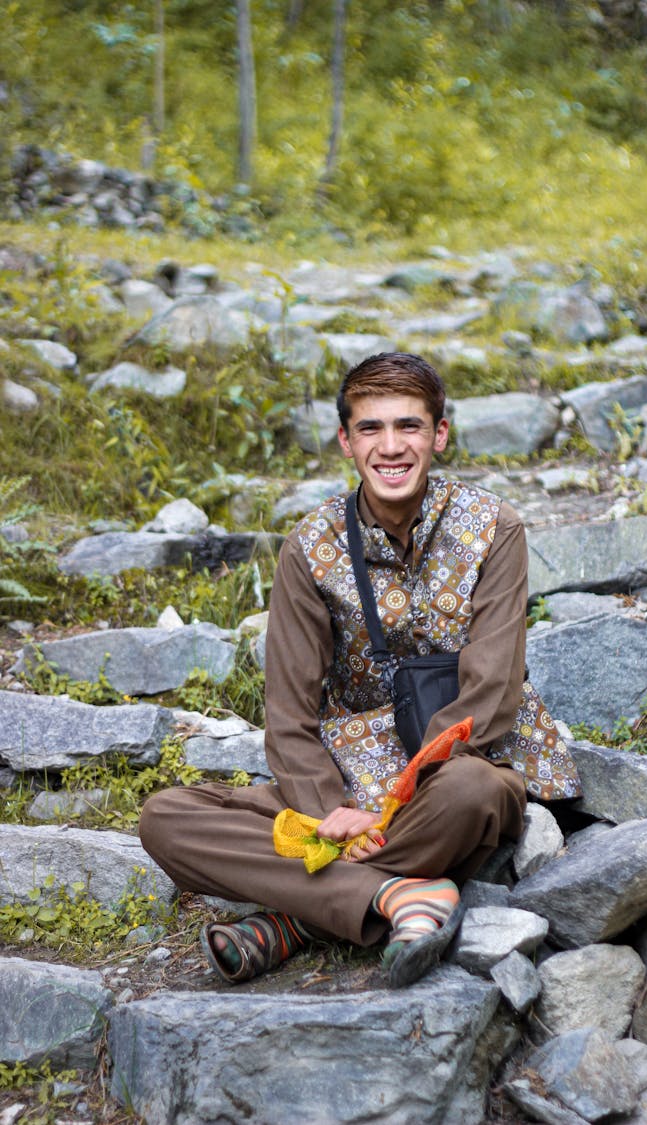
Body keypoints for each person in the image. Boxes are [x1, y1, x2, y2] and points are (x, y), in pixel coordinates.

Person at [139, 352, 543, 988]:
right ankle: (398, 896)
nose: (391, 447)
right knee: (165, 817)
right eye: (370, 429)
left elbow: (488, 695)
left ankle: (299, 920)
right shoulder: (309, 546)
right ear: (346, 441)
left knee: (477, 794)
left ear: (439, 434)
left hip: (452, 769)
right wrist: (332, 812)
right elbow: (290, 716)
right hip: (343, 770)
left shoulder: (496, 528)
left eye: (409, 427)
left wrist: (382, 811)